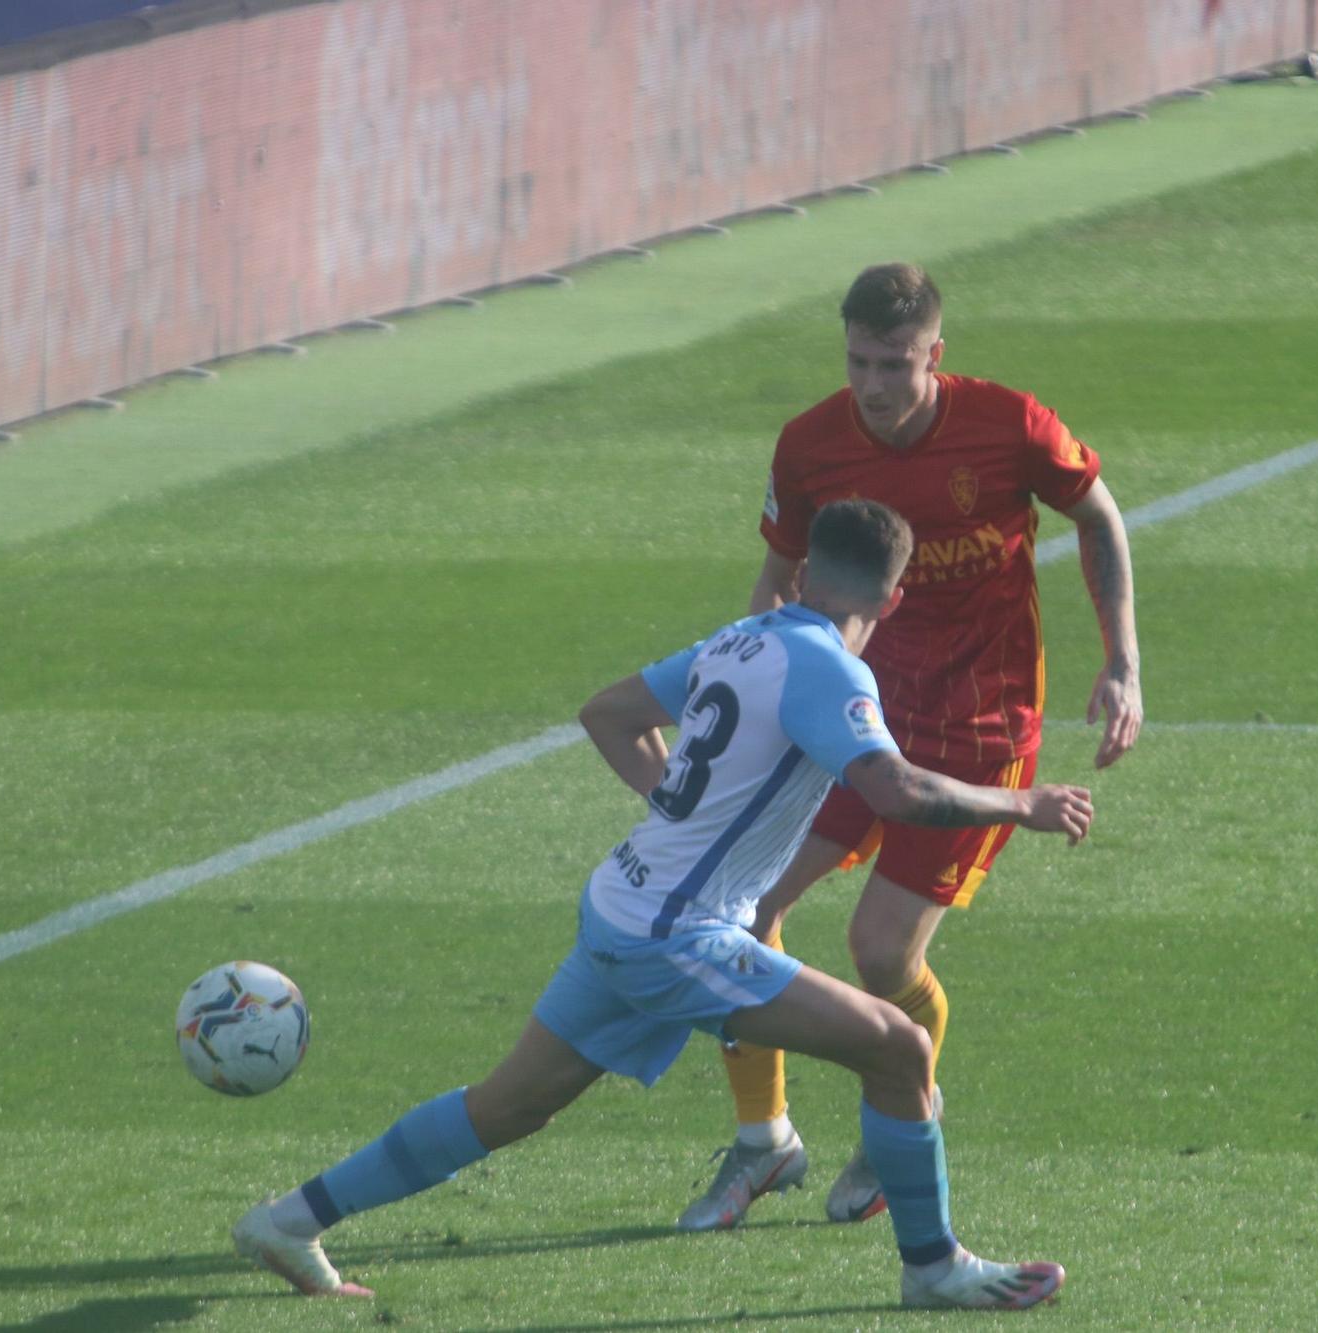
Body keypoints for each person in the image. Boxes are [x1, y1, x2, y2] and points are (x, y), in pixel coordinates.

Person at [231, 499, 1093, 1311]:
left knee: (507, 1106)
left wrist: (673, 801)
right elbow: (896, 789)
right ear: (894, 598)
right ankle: (933, 1266)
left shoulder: (741, 640)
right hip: (678, 935)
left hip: (620, 905)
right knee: (901, 1048)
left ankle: (289, 1220)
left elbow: (609, 713)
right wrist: (1022, 802)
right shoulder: (830, 668)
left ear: (803, 574)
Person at [679, 262, 1141, 1232]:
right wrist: (752, 691)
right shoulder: (809, 444)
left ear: (935, 353)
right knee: (737, 912)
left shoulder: (1005, 424)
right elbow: (775, 577)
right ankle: (764, 1142)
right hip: (850, 719)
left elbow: (1093, 511)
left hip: (978, 726)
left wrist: (1120, 663)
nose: (874, 385)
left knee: (877, 952)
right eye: (857, 361)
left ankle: (905, 1112)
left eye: (894, 363)